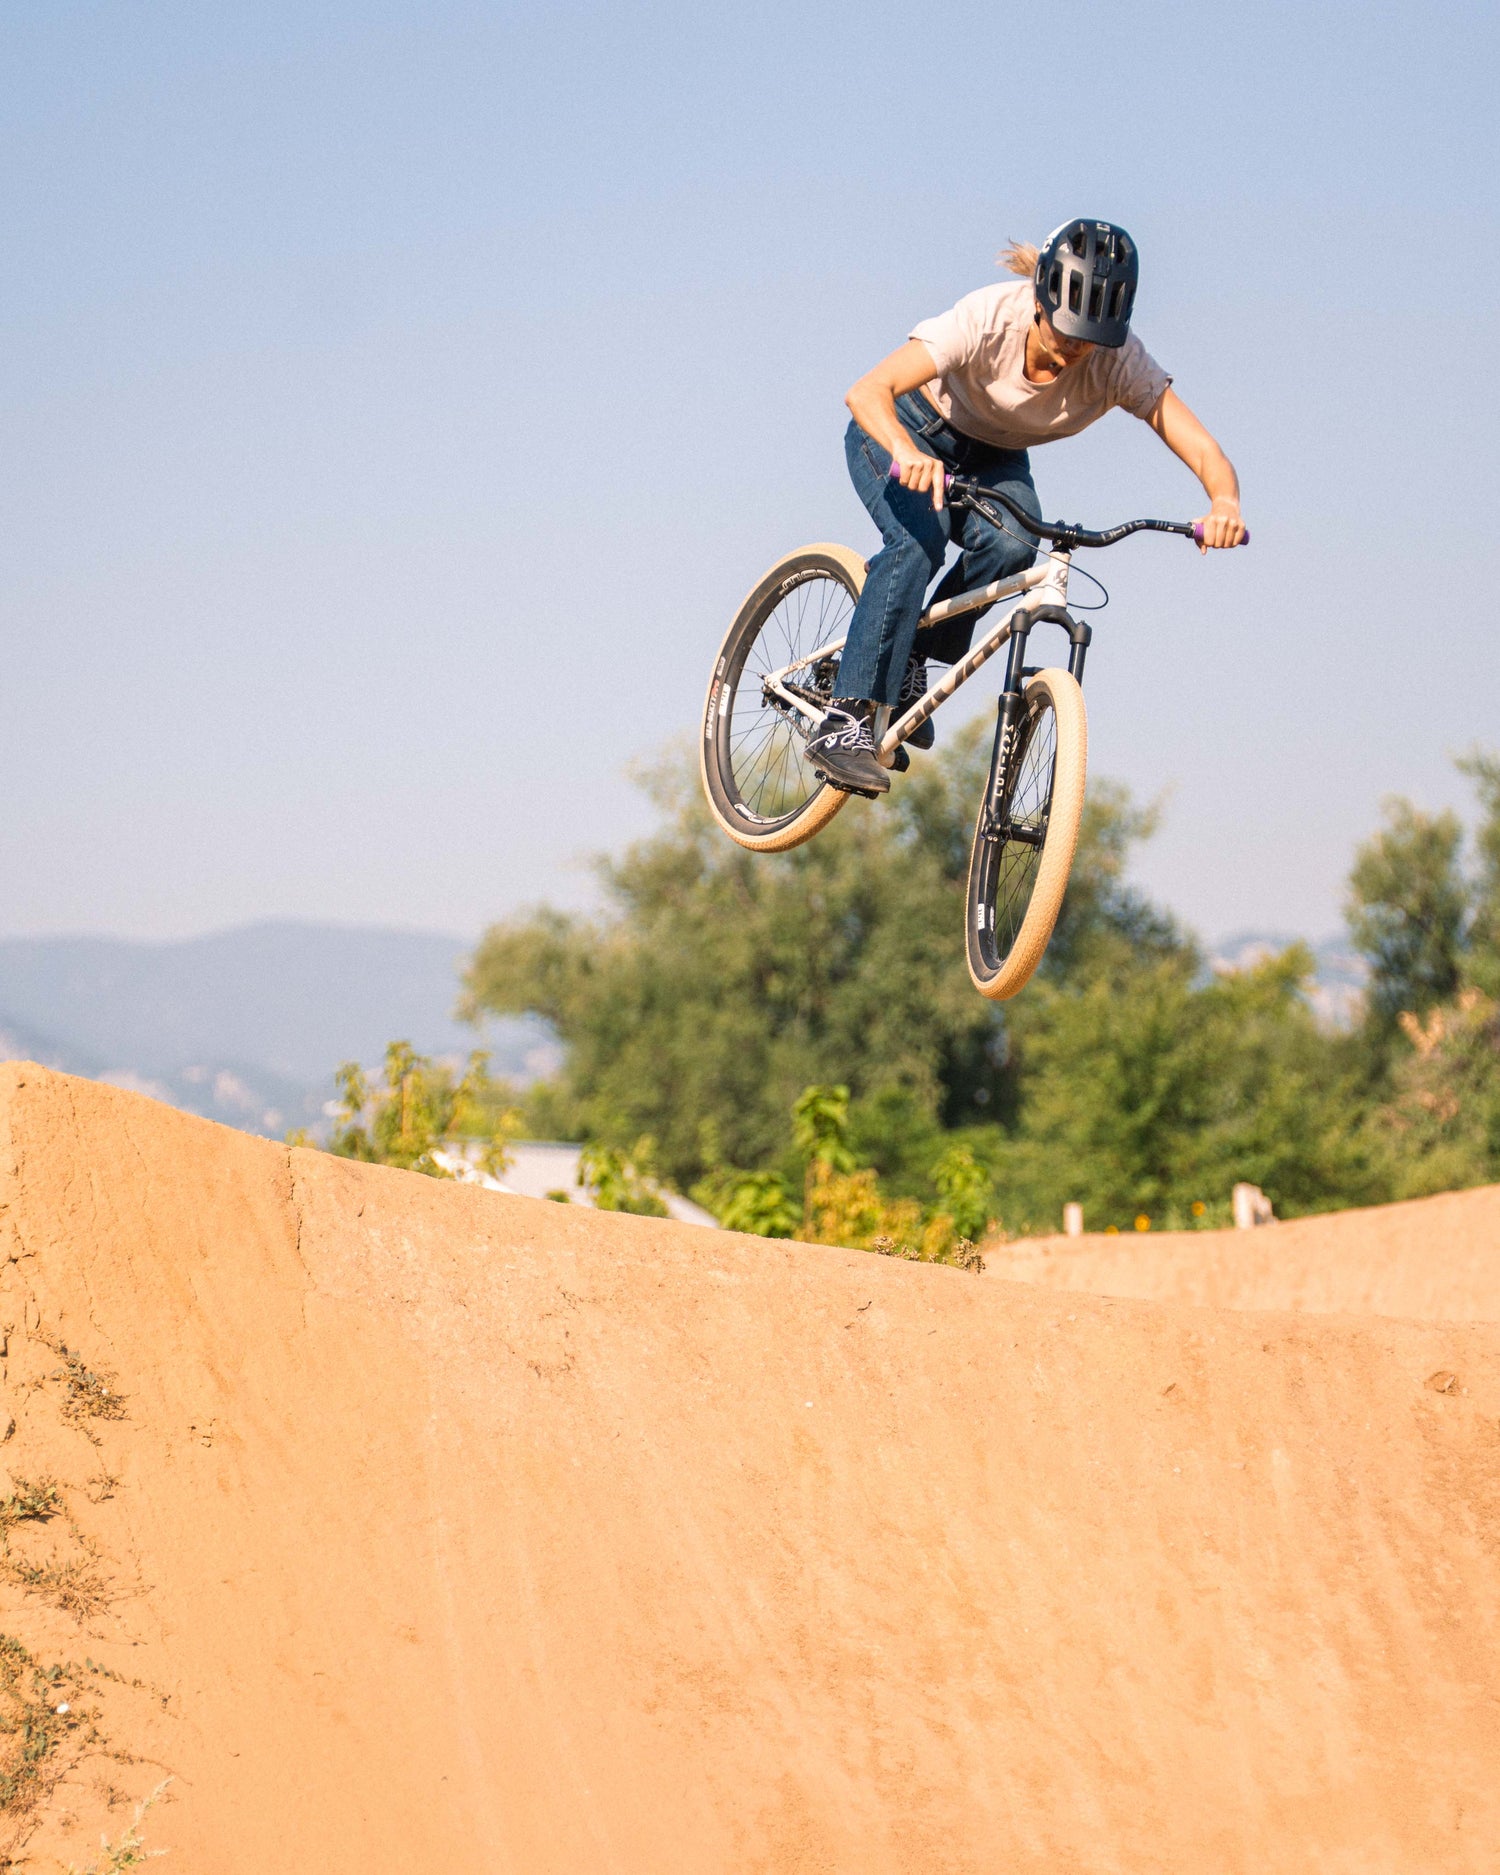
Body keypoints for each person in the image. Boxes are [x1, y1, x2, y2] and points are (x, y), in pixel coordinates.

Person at [807, 219, 1248, 796]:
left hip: (996, 460)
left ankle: (914, 656)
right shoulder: (988, 318)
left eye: (1089, 339)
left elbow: (1201, 445)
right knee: (918, 543)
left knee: (1015, 545)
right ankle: (844, 718)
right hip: (906, 429)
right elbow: (867, 392)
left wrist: (1225, 501)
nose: (1072, 351)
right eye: (1064, 332)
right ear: (1039, 299)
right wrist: (905, 451)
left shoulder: (1120, 363)